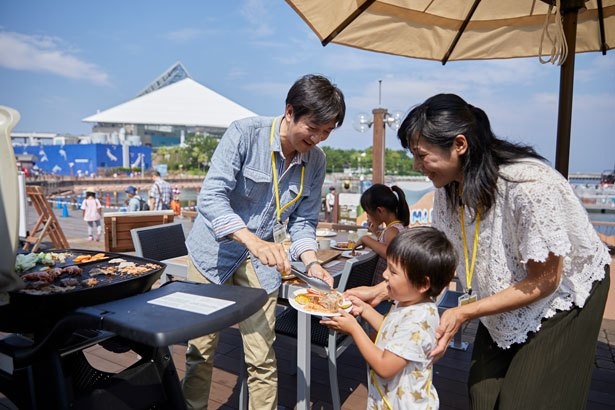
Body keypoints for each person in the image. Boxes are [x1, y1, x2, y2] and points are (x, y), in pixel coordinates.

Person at [393, 93, 610, 409]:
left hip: (563, 295)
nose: (416, 166)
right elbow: (434, 258)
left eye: (422, 155)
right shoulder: (448, 188)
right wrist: (382, 289)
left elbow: (547, 279)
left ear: (460, 145)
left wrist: (465, 310)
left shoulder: (529, 185)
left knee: (524, 400)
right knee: (482, 395)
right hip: (505, 290)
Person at [182, 74, 346, 410]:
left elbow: (303, 221)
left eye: (326, 133)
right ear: (290, 112)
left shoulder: (316, 161)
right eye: (313, 128)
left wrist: (312, 263)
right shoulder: (244, 133)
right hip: (212, 253)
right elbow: (211, 198)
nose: (317, 139)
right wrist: (252, 241)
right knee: (200, 350)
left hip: (262, 261)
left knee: (262, 355)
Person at [322, 227, 457, 409]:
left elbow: (384, 367)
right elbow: (391, 330)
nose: (385, 275)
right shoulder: (409, 302)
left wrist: (354, 329)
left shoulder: (418, 320)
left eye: (393, 272)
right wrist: (365, 310)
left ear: (423, 284)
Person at [354, 183, 410, 285]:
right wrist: (375, 233)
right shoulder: (397, 226)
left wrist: (366, 239)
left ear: (379, 210)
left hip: (387, 289)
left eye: (368, 212)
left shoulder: (392, 230)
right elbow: (388, 244)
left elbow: (389, 253)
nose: (367, 216)